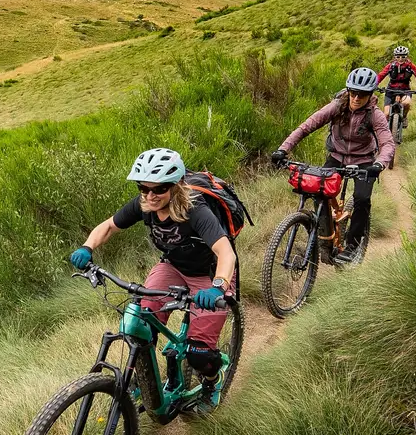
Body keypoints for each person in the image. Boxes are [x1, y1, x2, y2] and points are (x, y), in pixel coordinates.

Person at [68, 148, 237, 403]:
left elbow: (226, 253)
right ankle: (145, 381)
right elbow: (110, 225)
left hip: (210, 275)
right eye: (143, 188)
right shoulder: (145, 205)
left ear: (176, 185)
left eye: (159, 189)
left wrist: (217, 287)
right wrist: (87, 246)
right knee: (139, 327)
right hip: (173, 267)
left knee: (198, 354)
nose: (150, 195)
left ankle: (213, 381)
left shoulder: (196, 210)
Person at [272, 68, 396, 258]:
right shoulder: (337, 106)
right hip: (337, 157)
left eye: (362, 94)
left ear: (370, 94)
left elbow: (387, 143)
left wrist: (378, 165)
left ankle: (353, 246)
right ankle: (324, 237)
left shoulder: (375, 114)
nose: (356, 98)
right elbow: (307, 126)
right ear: (348, 91)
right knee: (316, 190)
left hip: (364, 161)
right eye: (353, 92)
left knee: (362, 199)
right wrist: (283, 149)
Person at [378, 45, 416, 114]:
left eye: (403, 56)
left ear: (406, 56)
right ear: (395, 56)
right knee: (386, 114)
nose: (400, 59)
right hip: (391, 90)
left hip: (405, 90)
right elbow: (381, 75)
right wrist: (374, 84)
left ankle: (404, 118)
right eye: (398, 56)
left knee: (406, 103)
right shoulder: (390, 65)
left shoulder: (410, 66)